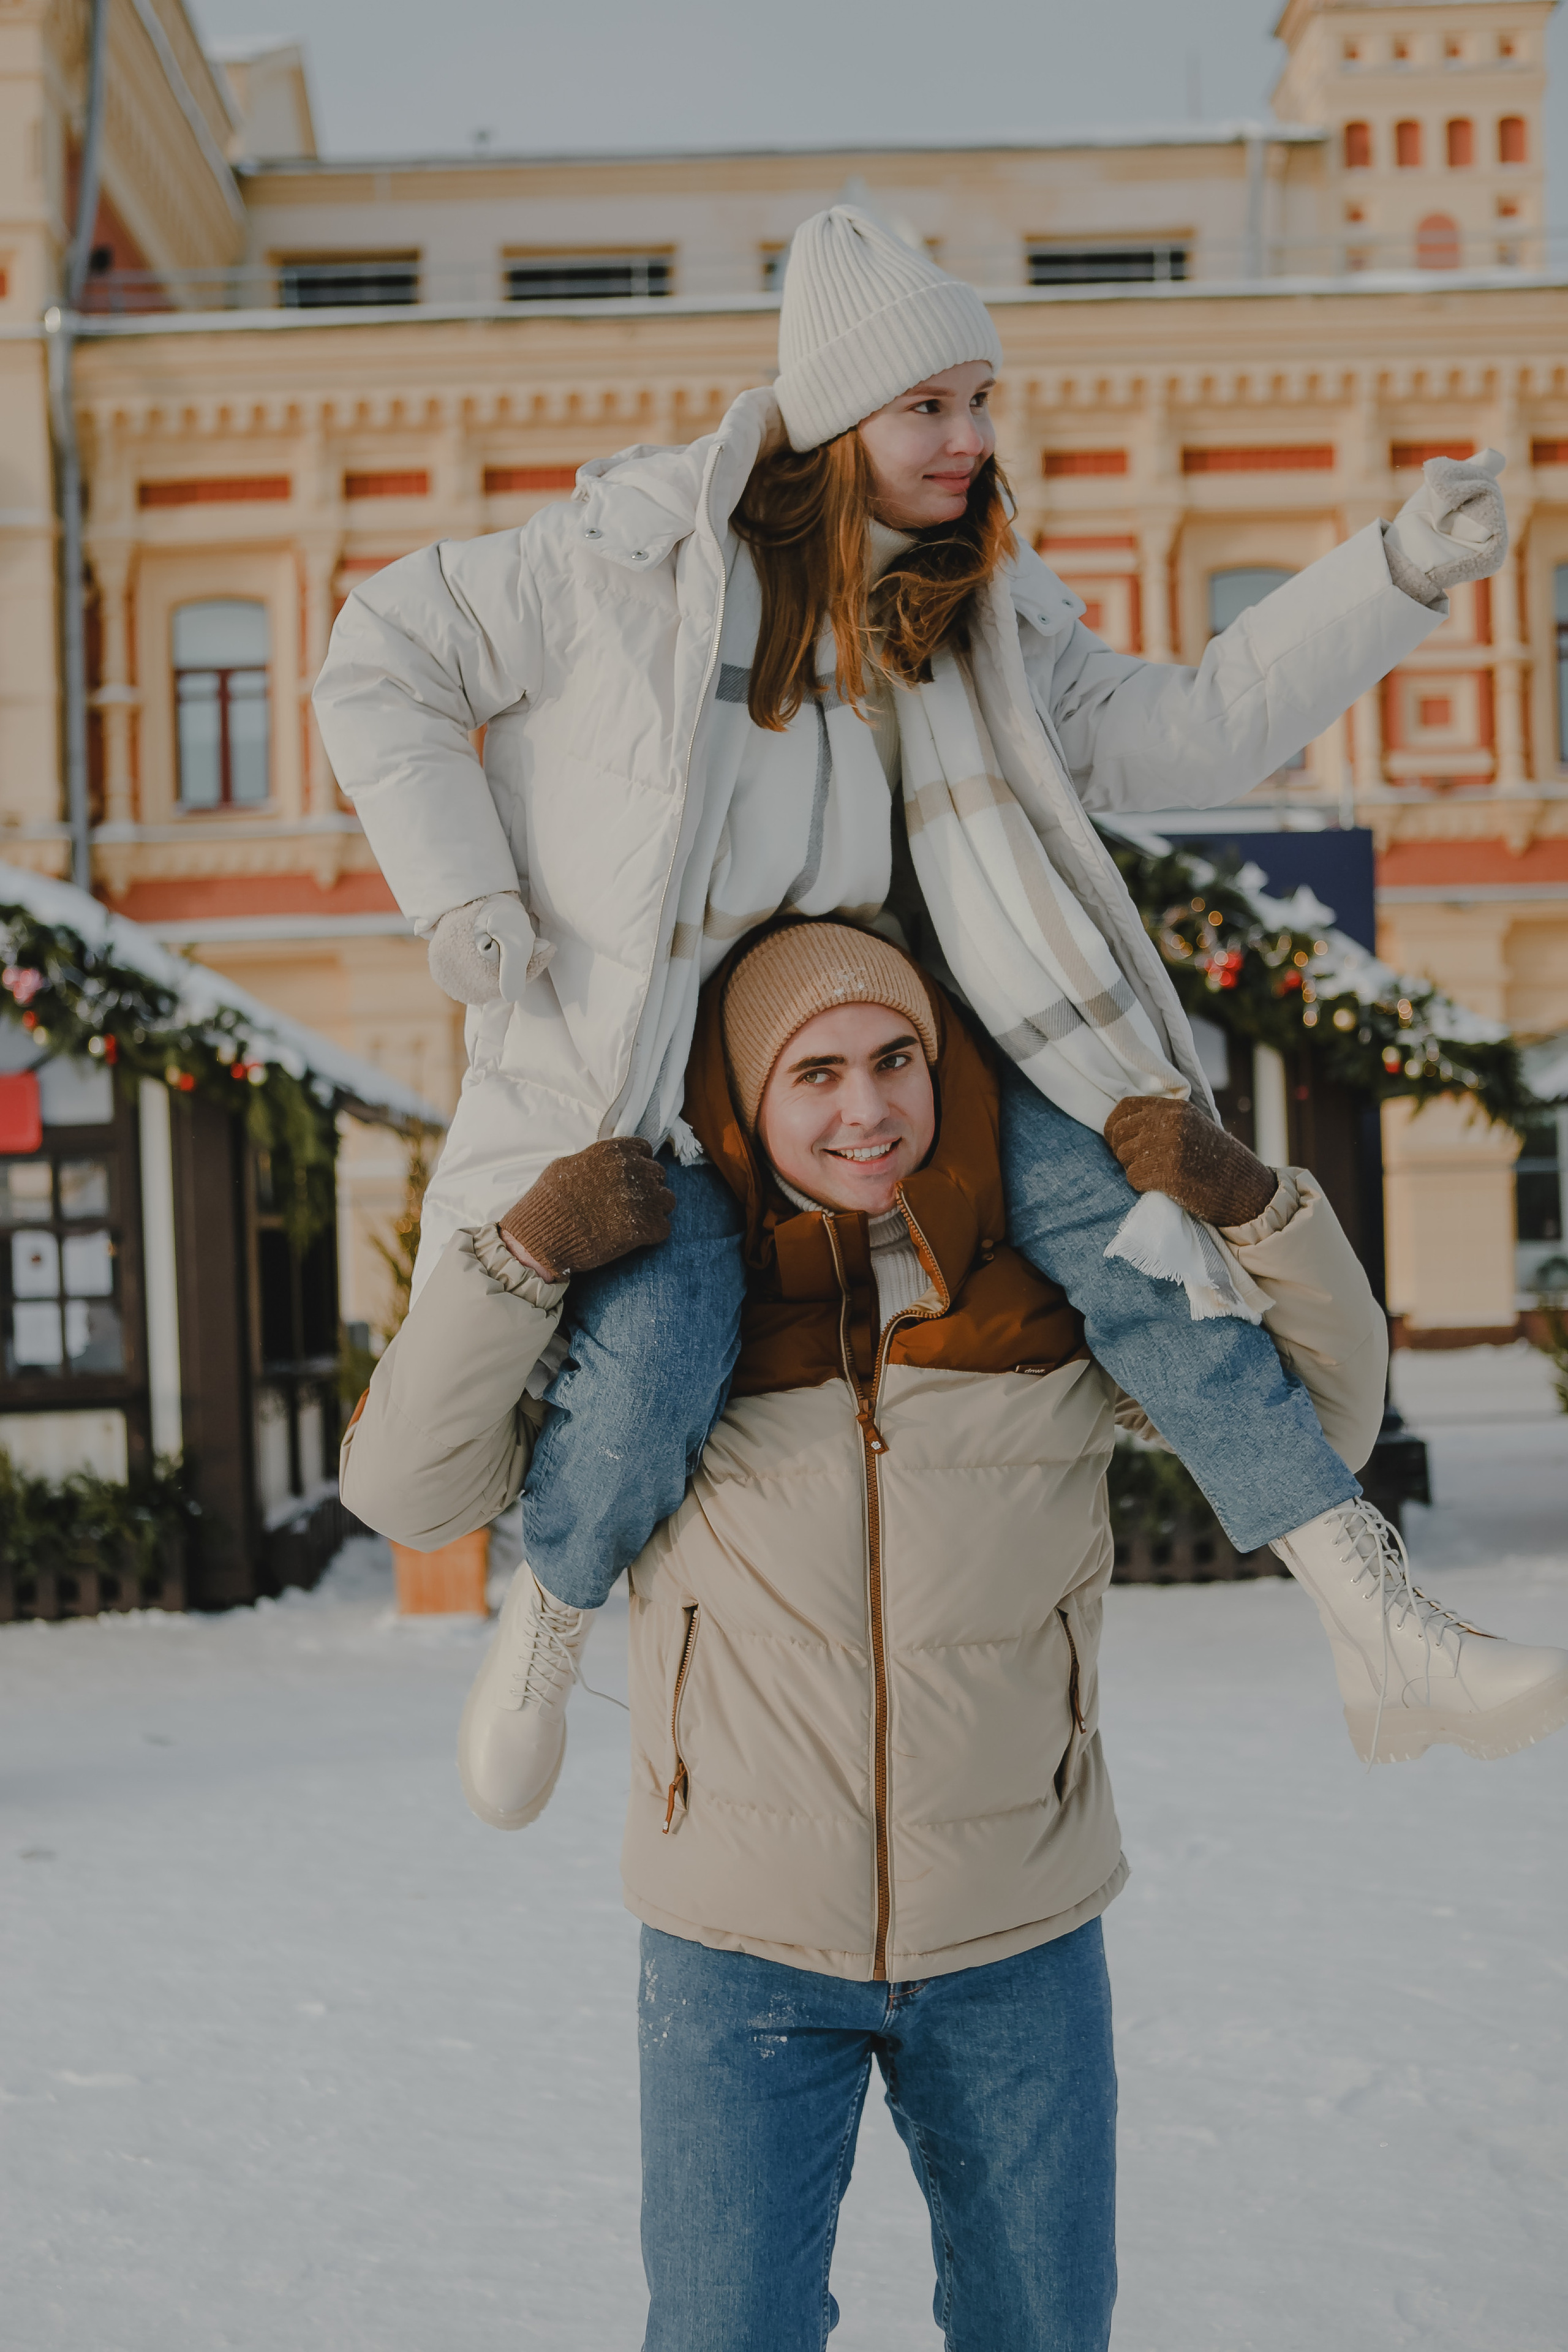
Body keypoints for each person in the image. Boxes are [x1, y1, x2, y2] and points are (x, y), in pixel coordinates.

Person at [315, 204, 1528, 1785]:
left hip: (905, 1048)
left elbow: (1196, 729)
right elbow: (380, 647)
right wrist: (463, 887)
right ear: (834, 418)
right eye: (928, 405)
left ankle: (1374, 1617)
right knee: (667, 1322)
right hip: (655, 1068)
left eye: (981, 401)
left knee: (1123, 1220)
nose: (968, 439)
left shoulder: (979, 622)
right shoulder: (619, 567)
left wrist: (1393, 573)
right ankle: (545, 1623)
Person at [342, 922, 1568, 2349]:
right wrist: (526, 1253)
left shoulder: (1038, 1302)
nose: (864, 1107)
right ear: (745, 1101)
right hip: (738, 1944)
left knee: (1040, 2331)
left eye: (893, 1060)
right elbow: (410, 1490)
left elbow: (1323, 1419)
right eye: (814, 1074)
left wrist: (1250, 1208)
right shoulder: (662, 1333)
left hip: (1017, 1938)